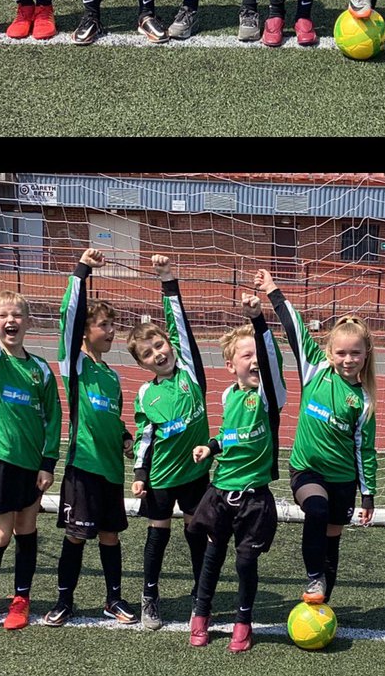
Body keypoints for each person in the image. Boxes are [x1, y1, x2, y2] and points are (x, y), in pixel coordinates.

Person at [256, 267, 377, 606]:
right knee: (317, 511)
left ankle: (322, 604)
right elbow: (294, 328)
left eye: (355, 353)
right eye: (341, 352)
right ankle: (313, 577)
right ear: (329, 353)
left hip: (343, 480)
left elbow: (364, 450)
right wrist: (272, 289)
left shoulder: (364, 399)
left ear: (365, 354)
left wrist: (367, 495)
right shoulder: (315, 370)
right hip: (306, 471)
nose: (348, 359)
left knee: (333, 541)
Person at [0, 246, 61, 629]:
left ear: (27, 321)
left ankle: (21, 599)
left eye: (17, 314)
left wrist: (48, 463)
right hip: (2, 458)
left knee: (27, 529)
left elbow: (54, 418)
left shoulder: (40, 368)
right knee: (0, 533)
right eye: (2, 315)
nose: (10, 320)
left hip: (33, 466)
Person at [188, 293, 286, 652]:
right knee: (212, 557)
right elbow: (229, 436)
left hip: (253, 499)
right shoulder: (229, 395)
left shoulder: (268, 398)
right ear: (230, 366)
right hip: (219, 491)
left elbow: (272, 362)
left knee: (246, 563)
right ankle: (201, 615)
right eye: (247, 355)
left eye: (257, 354)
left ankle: (243, 622)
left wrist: (260, 322)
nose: (255, 360)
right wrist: (211, 447)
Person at [44, 249, 136, 627]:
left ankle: (113, 600)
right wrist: (82, 271)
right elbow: (69, 315)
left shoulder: (112, 376)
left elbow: (112, 420)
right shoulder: (76, 364)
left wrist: (127, 437)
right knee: (77, 536)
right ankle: (64, 601)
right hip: (82, 467)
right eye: (104, 326)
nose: (112, 332)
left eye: (114, 325)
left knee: (111, 536)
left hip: (112, 470)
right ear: (85, 331)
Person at [130, 254, 210, 630]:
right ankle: (149, 597)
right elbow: (145, 438)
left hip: (195, 474)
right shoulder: (146, 394)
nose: (158, 353)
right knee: (157, 536)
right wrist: (140, 473)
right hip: (161, 477)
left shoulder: (190, 372)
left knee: (197, 533)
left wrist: (167, 281)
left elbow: (181, 327)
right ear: (143, 364)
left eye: (159, 345)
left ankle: (200, 594)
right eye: (148, 353)